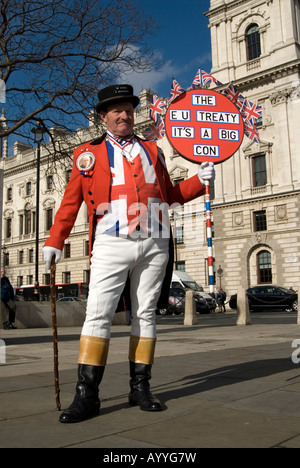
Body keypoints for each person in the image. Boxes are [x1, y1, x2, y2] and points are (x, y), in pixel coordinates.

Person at [42, 84, 215, 423]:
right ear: (103, 117)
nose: (124, 115)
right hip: (111, 241)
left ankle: (141, 388)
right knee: (98, 315)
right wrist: (55, 240)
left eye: (129, 110)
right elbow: (70, 202)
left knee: (146, 315)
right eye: (116, 110)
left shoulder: (154, 151)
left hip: (155, 241)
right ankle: (87, 396)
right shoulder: (86, 154)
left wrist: (199, 180)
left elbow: (170, 195)